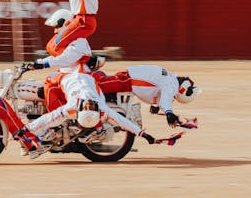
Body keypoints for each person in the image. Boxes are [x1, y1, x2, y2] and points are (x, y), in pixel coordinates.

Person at [23, 11, 157, 156]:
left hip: (72, 75)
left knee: (49, 87)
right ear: (97, 109)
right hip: (83, 76)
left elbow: (64, 59)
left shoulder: (77, 42)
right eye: (92, 106)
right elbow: (122, 121)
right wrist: (144, 135)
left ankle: (52, 131)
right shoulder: (101, 107)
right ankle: (57, 132)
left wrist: (22, 130)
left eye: (57, 26)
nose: (89, 104)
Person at [92, 65, 202, 128]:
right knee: (95, 86)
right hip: (127, 81)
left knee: (96, 85)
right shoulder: (172, 84)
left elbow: (158, 91)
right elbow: (165, 99)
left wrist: (155, 105)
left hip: (127, 80)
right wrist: (169, 113)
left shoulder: (170, 80)